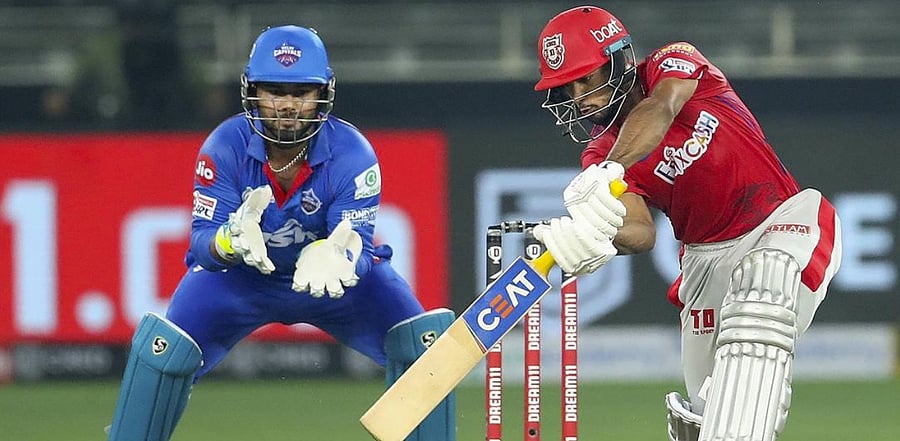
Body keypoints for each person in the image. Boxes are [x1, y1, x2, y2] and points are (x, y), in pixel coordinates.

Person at [106, 25, 455, 441]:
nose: (287, 106)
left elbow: (358, 246)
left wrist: (337, 254)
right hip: (242, 281)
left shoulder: (353, 154)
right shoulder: (224, 147)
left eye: (300, 92)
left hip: (331, 285)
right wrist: (228, 241)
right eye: (274, 91)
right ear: (252, 93)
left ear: (322, 94)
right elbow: (202, 244)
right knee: (162, 350)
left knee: (428, 350)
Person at [530, 6, 842, 441]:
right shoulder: (599, 154)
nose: (579, 96)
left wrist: (609, 171)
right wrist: (594, 234)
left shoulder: (671, 64)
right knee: (714, 414)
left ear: (619, 60)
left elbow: (662, 107)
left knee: (762, 286)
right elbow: (641, 231)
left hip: (782, 219)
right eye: (569, 86)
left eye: (587, 78)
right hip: (704, 263)